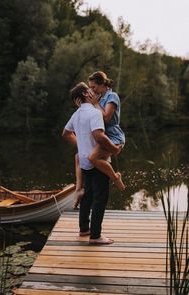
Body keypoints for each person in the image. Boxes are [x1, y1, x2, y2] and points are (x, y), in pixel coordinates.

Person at [62, 82, 120, 244]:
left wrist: (81, 145)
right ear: (86, 95)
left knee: (87, 195)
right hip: (97, 163)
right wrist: (114, 149)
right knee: (100, 198)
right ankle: (95, 236)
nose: (93, 91)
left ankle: (84, 229)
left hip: (84, 162)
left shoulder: (77, 114)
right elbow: (99, 136)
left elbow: (65, 134)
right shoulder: (95, 113)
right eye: (90, 90)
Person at [74, 71, 125, 209]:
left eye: (93, 87)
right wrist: (83, 107)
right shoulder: (100, 98)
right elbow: (92, 114)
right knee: (78, 156)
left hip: (113, 136)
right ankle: (79, 189)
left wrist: (95, 103)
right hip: (102, 137)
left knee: (92, 157)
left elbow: (107, 117)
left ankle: (115, 178)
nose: (91, 90)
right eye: (90, 87)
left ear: (102, 84)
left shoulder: (112, 96)